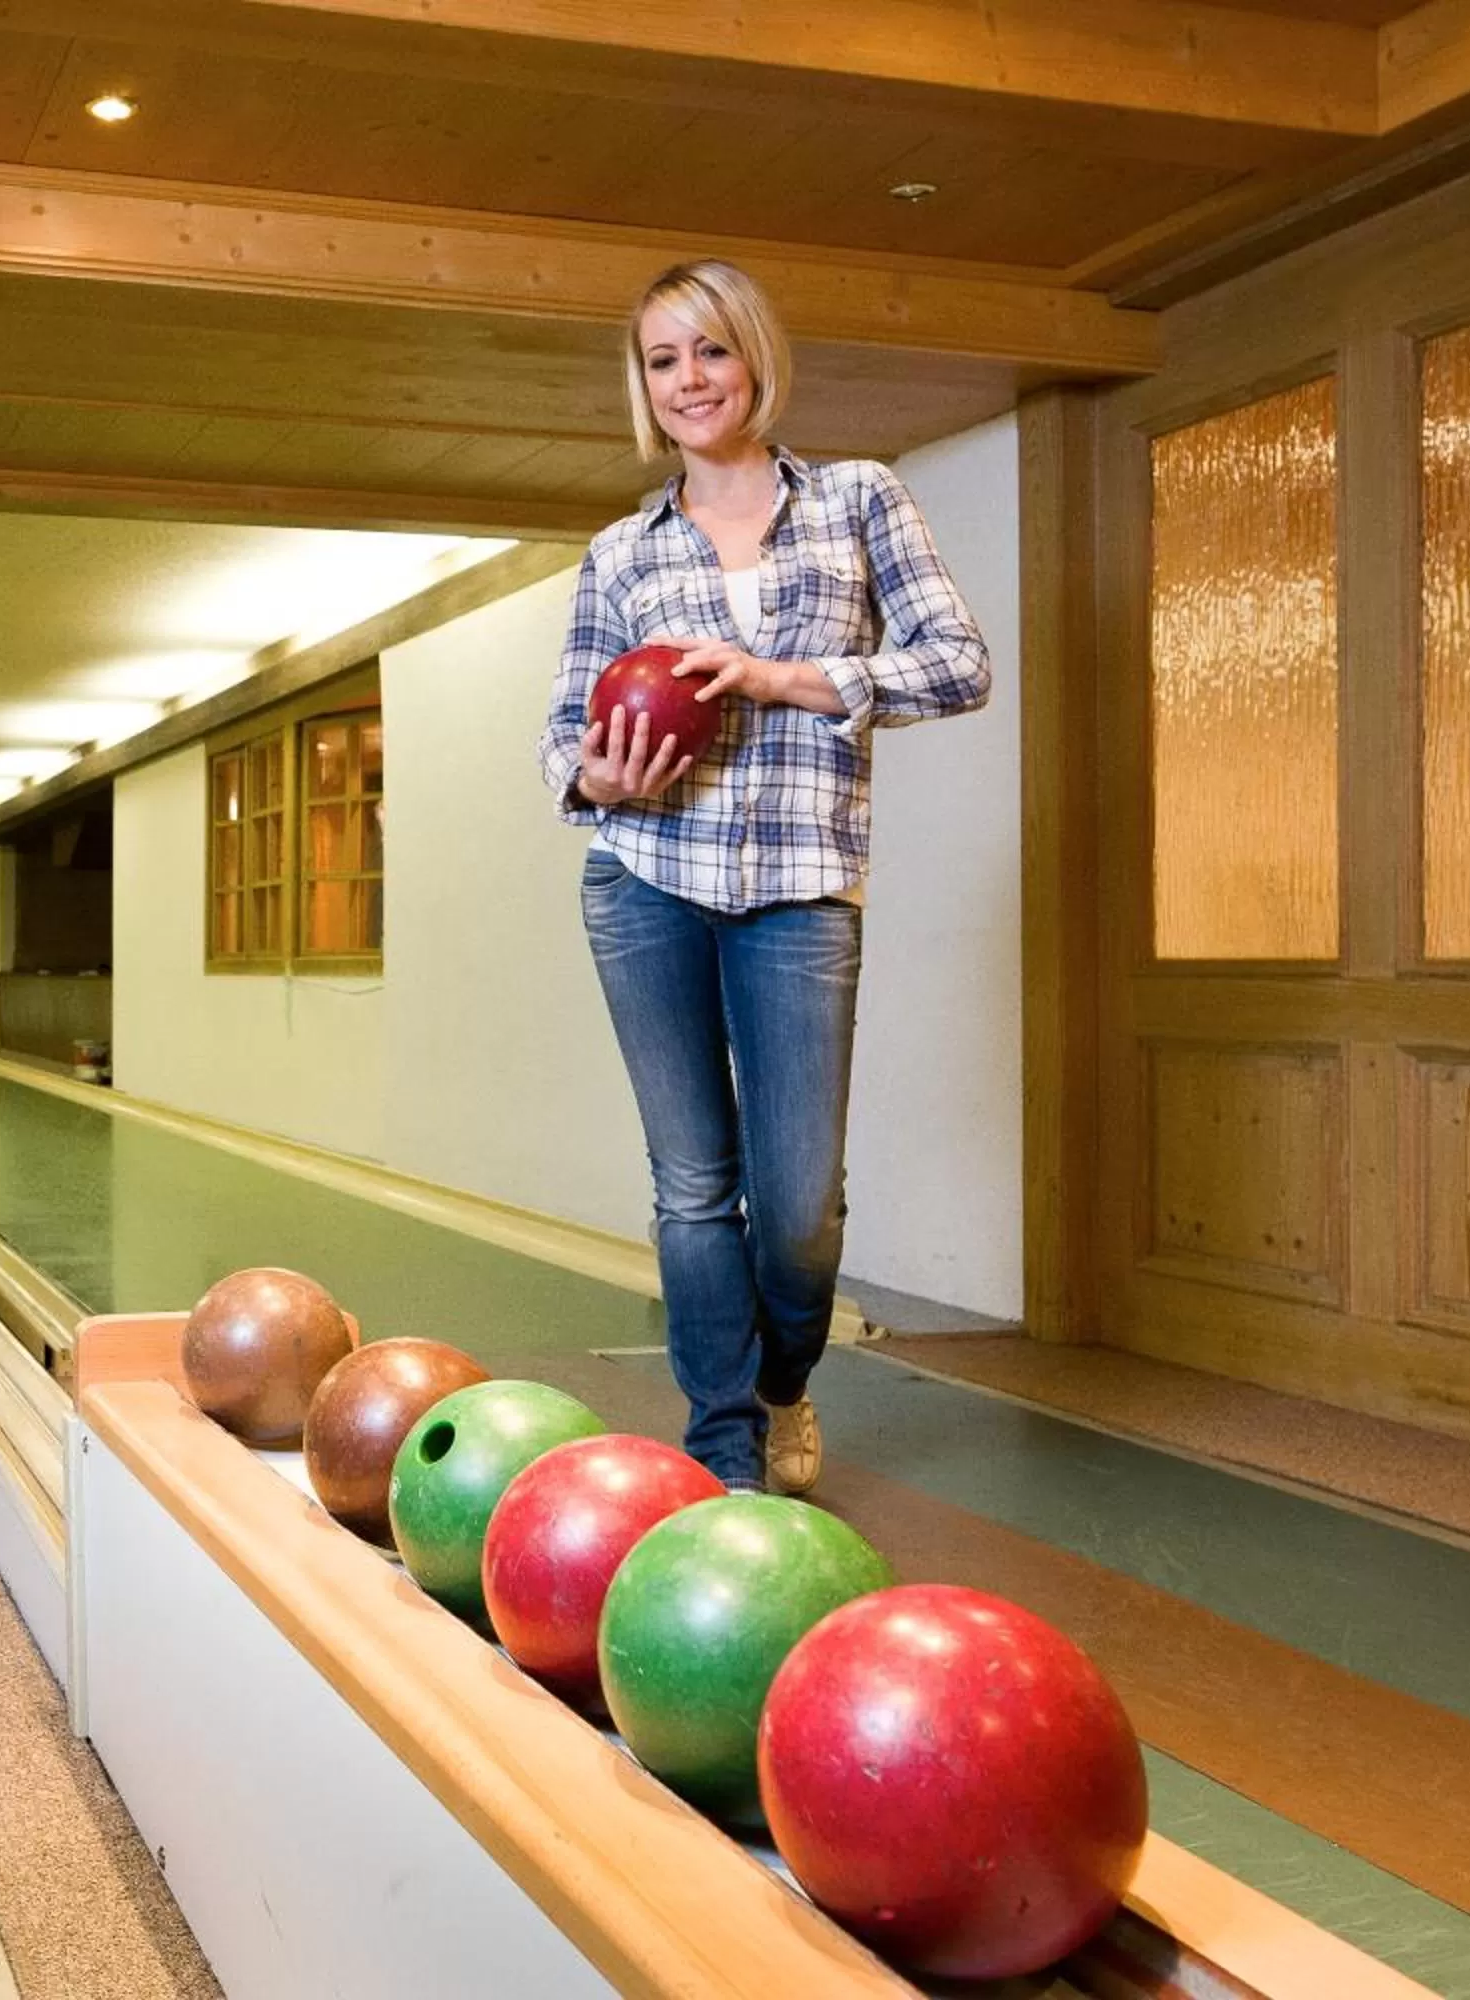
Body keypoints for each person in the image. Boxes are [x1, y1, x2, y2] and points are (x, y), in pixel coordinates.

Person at [538, 261, 989, 1497]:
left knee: (799, 1207)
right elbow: (559, 739)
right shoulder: (621, 548)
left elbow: (958, 663)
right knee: (693, 1184)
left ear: (755, 359)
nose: (688, 382)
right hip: (647, 882)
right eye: (662, 361)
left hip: (798, 881)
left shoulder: (857, 499)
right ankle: (724, 1442)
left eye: (710, 352)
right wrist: (602, 778)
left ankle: (785, 1382)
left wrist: (788, 676)